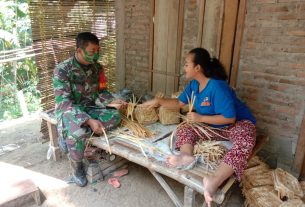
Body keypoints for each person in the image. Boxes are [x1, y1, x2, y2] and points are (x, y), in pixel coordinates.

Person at [140, 48, 256, 206]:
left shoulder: (217, 87)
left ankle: (214, 180)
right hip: (214, 127)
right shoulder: (194, 85)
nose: (184, 67)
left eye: (187, 64)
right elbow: (178, 103)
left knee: (246, 140)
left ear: (197, 68)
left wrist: (200, 117)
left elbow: (230, 117)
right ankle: (185, 155)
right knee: (185, 128)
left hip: (237, 124)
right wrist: (158, 101)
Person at [53, 32, 125, 187]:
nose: (96, 55)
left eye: (98, 51)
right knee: (78, 134)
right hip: (69, 111)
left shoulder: (98, 68)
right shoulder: (63, 70)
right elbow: (64, 103)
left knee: (116, 117)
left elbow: (102, 92)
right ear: (79, 50)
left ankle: (71, 134)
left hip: (90, 107)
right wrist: (88, 120)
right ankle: (77, 169)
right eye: (92, 51)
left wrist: (113, 101)